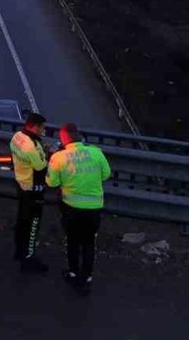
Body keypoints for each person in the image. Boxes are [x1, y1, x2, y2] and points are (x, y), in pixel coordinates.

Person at [46, 122, 111, 293]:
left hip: (71, 207)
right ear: (79, 136)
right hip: (94, 208)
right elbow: (106, 174)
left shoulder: (59, 157)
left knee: (73, 241)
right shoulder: (96, 152)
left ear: (64, 139)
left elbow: (52, 182)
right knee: (89, 242)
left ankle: (73, 273)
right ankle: (87, 276)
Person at [10, 112, 50, 273]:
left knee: (22, 221)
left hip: (21, 184)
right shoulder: (31, 145)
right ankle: (29, 259)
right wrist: (49, 153)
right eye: (42, 128)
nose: (43, 132)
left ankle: (19, 251)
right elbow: (41, 167)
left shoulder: (17, 137)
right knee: (33, 225)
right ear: (35, 126)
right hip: (34, 190)